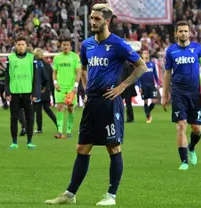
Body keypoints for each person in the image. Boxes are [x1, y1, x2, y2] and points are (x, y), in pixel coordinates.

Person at [45, 4, 146, 206]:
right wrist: (85, 89)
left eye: (97, 19)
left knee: (113, 147)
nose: (93, 21)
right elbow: (83, 68)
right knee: (82, 148)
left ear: (107, 21)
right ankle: (70, 194)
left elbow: (141, 66)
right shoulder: (87, 45)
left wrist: (121, 88)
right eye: (91, 18)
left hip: (109, 102)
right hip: (92, 103)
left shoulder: (118, 44)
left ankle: (111, 195)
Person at [162, 21, 201, 171]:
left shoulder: (197, 49)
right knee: (181, 125)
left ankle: (191, 147)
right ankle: (184, 161)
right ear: (176, 33)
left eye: (185, 31)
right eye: (180, 31)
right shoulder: (171, 51)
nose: (183, 33)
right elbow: (167, 73)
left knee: (197, 129)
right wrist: (164, 94)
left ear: (189, 33)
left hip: (194, 94)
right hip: (178, 93)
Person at [5, 36, 37, 150]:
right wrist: (7, 91)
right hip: (14, 93)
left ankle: (29, 141)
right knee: (13, 118)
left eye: (23, 44)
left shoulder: (31, 58)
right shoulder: (10, 58)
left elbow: (35, 77)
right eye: (19, 44)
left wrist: (35, 92)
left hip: (28, 93)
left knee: (30, 118)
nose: (21, 46)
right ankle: (14, 142)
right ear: (15, 46)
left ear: (26, 46)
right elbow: (7, 76)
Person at [52, 37, 81, 139]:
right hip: (60, 87)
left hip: (70, 87)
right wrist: (55, 83)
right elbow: (54, 72)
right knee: (59, 107)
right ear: (61, 46)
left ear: (70, 46)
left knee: (70, 108)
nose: (65, 47)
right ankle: (59, 131)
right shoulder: (57, 58)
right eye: (64, 45)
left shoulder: (75, 57)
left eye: (67, 45)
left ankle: (68, 131)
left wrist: (75, 86)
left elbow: (78, 72)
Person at [33, 48, 57, 134]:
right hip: (46, 90)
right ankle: (58, 125)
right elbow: (50, 79)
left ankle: (39, 129)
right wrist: (49, 90)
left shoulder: (35, 64)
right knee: (47, 109)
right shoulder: (48, 65)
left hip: (39, 89)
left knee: (38, 110)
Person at [138, 50, 159, 123]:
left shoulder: (152, 64)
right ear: (142, 55)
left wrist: (158, 83)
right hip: (144, 86)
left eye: (147, 53)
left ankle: (147, 112)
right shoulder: (140, 65)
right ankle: (148, 118)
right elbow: (138, 77)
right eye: (144, 53)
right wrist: (140, 86)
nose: (146, 54)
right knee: (145, 102)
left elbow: (155, 75)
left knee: (154, 101)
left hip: (151, 85)